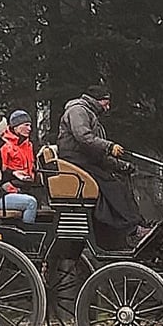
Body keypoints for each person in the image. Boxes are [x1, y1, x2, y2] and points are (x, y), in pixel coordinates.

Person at [56, 84, 150, 247]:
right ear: (97, 100)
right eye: (106, 103)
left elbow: (97, 155)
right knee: (113, 187)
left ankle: (137, 225)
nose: (108, 107)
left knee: (120, 183)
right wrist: (109, 146)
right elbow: (83, 137)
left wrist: (121, 166)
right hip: (75, 161)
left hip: (85, 160)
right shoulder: (77, 111)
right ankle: (132, 229)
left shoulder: (89, 114)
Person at [1, 109, 36, 193]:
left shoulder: (29, 145)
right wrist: (14, 173)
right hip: (13, 184)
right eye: (26, 125)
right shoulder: (4, 144)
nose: (29, 129)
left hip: (29, 183)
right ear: (15, 127)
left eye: (30, 126)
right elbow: (2, 169)